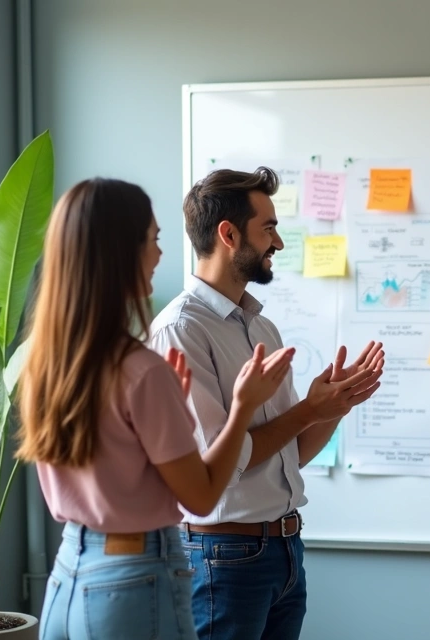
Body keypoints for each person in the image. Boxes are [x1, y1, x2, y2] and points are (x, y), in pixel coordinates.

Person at [16, 178, 295, 640]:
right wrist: (244, 406)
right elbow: (201, 498)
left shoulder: (46, 365)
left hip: (70, 572)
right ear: (118, 254)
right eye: (153, 240)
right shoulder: (142, 368)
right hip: (133, 581)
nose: (161, 255)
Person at [149, 167, 384, 640]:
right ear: (229, 234)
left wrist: (336, 405)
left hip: (284, 552)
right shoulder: (181, 331)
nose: (277, 243)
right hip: (224, 558)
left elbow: (288, 453)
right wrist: (310, 410)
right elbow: (222, 461)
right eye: (269, 228)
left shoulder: (261, 327)